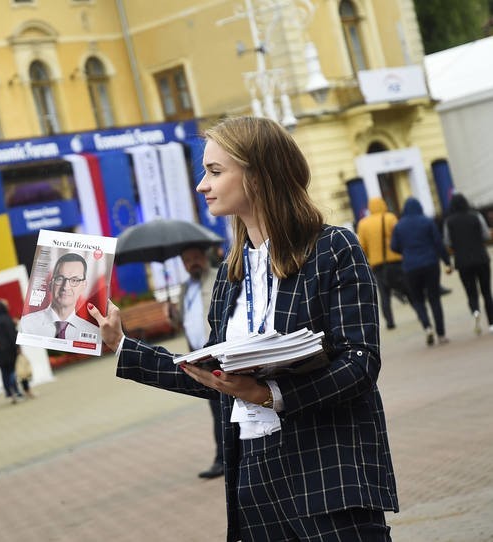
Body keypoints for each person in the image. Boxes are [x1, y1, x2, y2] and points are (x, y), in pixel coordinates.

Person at [88, 116, 398, 541]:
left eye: (215, 171)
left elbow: (361, 363)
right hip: (253, 474)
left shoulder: (333, 248)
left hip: (328, 467)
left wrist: (271, 394)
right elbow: (214, 376)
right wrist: (121, 344)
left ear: (258, 175)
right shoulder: (230, 275)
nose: (202, 184)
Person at [176, 245, 223, 479]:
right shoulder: (186, 288)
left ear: (204, 257)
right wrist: (171, 313)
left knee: (221, 408)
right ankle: (224, 457)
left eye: (195, 257)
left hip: (217, 353)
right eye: (187, 260)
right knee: (216, 407)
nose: (192, 263)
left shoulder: (218, 277)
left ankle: (222, 459)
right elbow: (184, 320)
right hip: (197, 356)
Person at [390, 197, 452, 346]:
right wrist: (447, 262)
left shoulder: (399, 226)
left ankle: (427, 327)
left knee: (417, 299)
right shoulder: (426, 221)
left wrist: (406, 251)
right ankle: (441, 334)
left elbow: (394, 246)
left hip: (410, 267)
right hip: (431, 263)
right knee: (434, 298)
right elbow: (438, 243)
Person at [443, 192, 493, 334]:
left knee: (470, 291)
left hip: (463, 262)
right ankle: (491, 323)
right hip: (481, 258)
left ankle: (475, 311)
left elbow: (447, 242)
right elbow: (485, 235)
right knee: (486, 291)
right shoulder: (476, 216)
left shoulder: (449, 221)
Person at [19, 252, 99, 339]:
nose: (65, 287)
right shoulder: (26, 325)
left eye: (74, 280)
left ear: (84, 285)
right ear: (50, 284)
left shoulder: (93, 333)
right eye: (60, 279)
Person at [356, 197, 405, 329]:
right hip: (395, 261)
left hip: (377, 265)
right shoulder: (390, 218)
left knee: (384, 295)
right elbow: (399, 236)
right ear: (383, 204)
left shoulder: (363, 224)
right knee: (407, 288)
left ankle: (390, 322)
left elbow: (362, 247)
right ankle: (420, 313)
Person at [0, 299, 24, 403]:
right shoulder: (6, 319)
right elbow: (11, 335)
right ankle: (16, 391)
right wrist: (18, 347)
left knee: (4, 372)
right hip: (8, 350)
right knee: (12, 371)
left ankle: (9, 392)